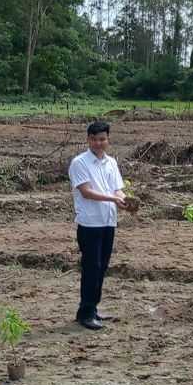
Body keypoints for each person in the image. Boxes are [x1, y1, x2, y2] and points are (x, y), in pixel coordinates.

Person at [69, 120, 136, 331]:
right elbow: (86, 191)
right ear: (88, 139)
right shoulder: (79, 163)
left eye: (102, 139)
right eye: (94, 139)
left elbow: (117, 189)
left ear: (108, 140)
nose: (98, 143)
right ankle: (86, 313)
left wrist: (125, 200)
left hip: (108, 221)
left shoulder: (111, 163)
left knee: (102, 267)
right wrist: (114, 199)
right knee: (92, 267)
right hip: (90, 223)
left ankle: (92, 308)